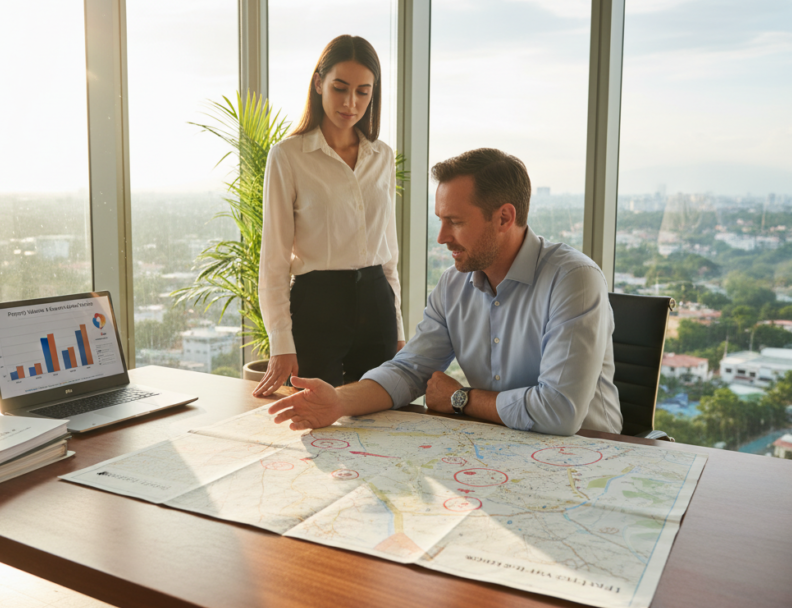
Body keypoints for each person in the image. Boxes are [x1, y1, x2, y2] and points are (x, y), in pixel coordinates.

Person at [267, 148, 622, 436]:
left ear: (503, 218)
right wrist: (339, 401)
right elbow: (409, 371)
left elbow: (558, 412)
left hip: (591, 453)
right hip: (502, 446)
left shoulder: (573, 279)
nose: (441, 237)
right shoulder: (454, 285)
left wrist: (460, 398)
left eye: (455, 221)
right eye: (440, 219)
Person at [253, 35, 405, 397]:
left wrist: (397, 330)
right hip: (316, 308)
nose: (351, 103)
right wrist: (281, 343)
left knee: (383, 424)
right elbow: (274, 258)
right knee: (314, 430)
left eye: (363, 91)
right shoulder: (287, 156)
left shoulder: (382, 156)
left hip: (377, 303)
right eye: (340, 88)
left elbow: (389, 254)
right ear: (319, 82)